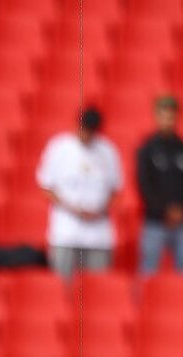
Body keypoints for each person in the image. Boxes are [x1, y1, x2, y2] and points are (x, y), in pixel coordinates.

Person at [36, 106, 123, 279]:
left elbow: (116, 190)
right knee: (62, 288)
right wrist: (73, 208)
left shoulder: (108, 151)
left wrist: (99, 209)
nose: (86, 134)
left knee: (97, 289)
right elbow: (46, 188)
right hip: (66, 231)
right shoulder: (59, 148)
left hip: (98, 234)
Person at [136, 95, 183, 277]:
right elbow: (144, 184)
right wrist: (164, 210)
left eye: (171, 115)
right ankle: (144, 304)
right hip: (155, 221)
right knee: (148, 270)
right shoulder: (147, 149)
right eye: (164, 114)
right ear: (156, 116)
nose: (168, 119)